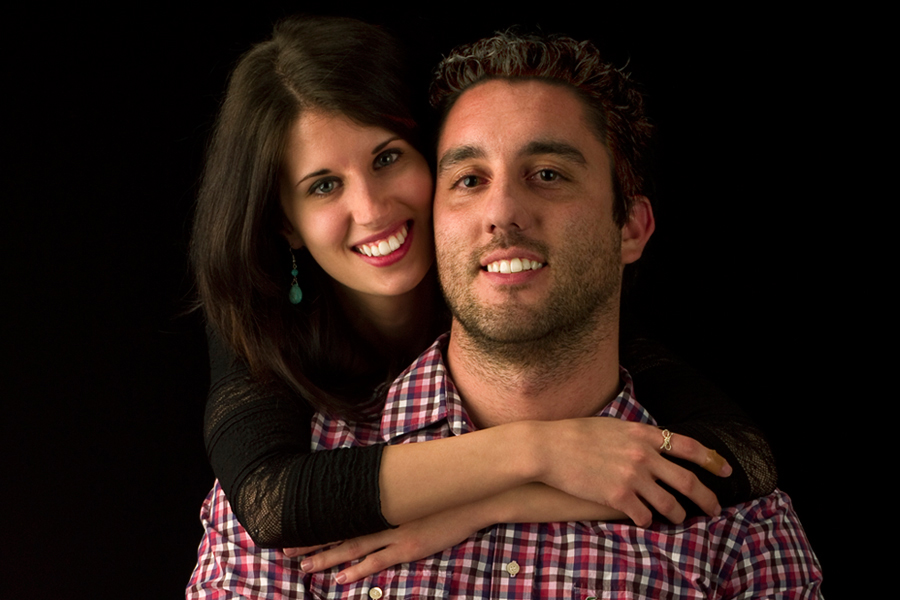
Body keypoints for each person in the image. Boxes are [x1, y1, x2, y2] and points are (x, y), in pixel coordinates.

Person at [188, 16, 783, 593]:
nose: (370, 209)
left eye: (388, 156)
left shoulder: (540, 297)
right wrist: (541, 450)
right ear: (283, 224)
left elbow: (741, 461)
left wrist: (491, 505)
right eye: (323, 185)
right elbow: (273, 505)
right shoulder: (259, 328)